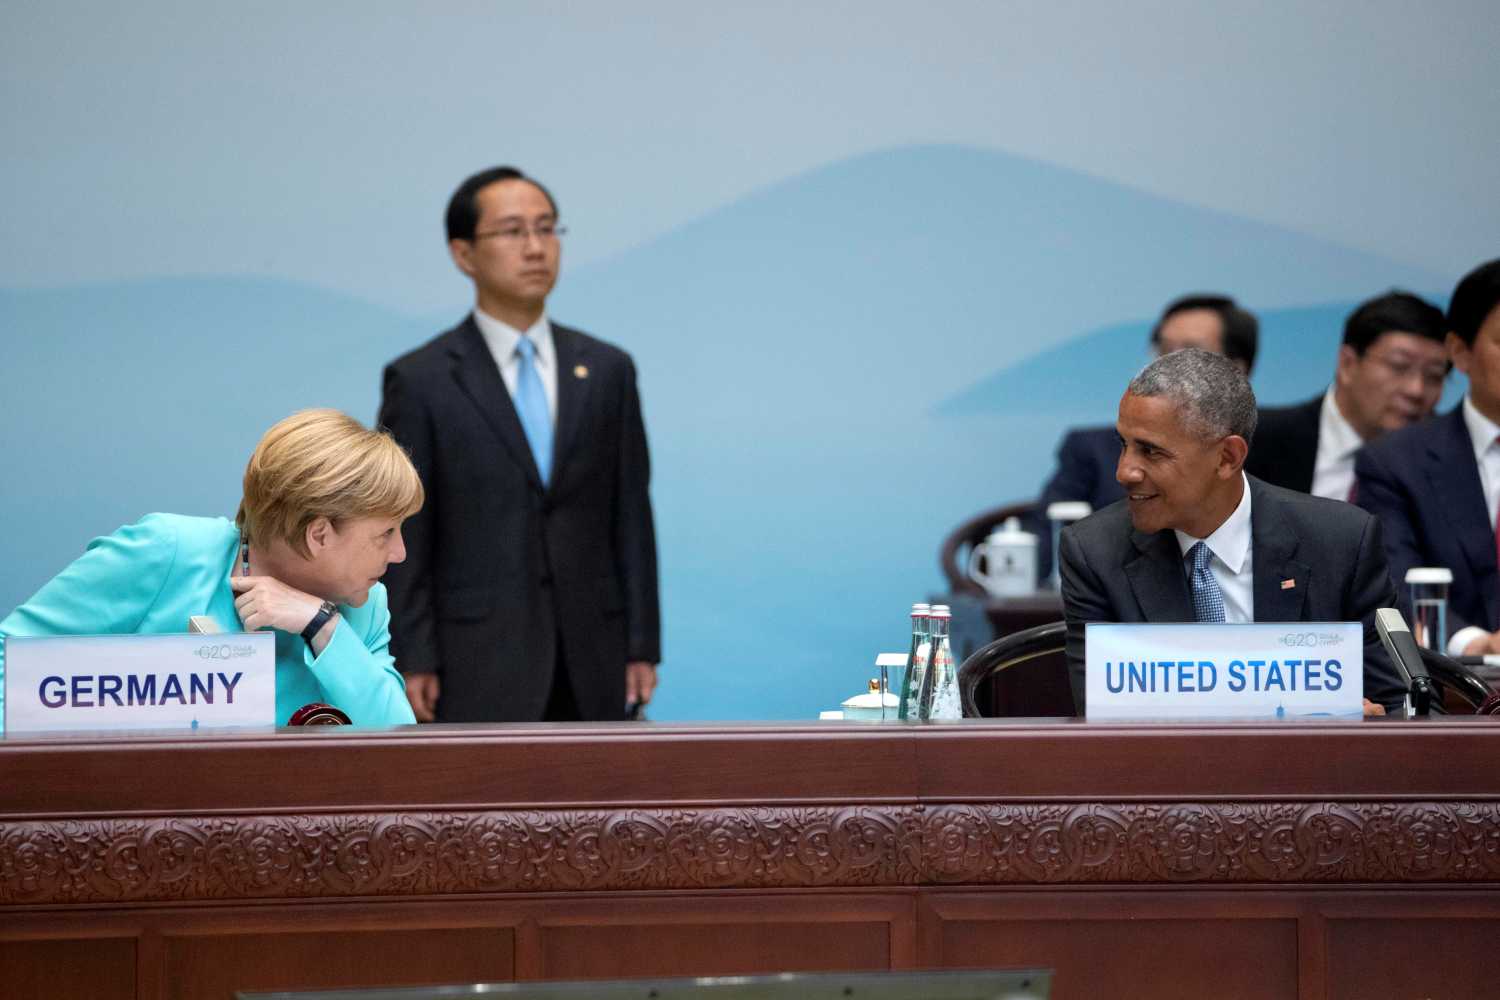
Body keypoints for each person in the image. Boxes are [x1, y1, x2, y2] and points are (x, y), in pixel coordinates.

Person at [378, 165, 660, 723]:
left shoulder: (607, 369)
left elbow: (630, 513)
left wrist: (641, 642)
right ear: (463, 254)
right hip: (475, 654)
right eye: (512, 231)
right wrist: (412, 654)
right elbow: (405, 525)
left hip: (594, 650)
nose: (536, 248)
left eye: (547, 228)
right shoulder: (422, 380)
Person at [0, 409, 422, 728]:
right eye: (385, 533)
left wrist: (321, 625)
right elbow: (10, 664)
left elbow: (398, 744)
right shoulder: (166, 552)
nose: (400, 553)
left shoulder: (361, 606)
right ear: (319, 534)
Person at [1059, 349, 1405, 715]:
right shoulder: (1094, 553)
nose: (1124, 471)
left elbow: (1400, 704)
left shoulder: (1341, 541)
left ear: (1227, 458)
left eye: (1151, 452)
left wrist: (1369, 723)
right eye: (1124, 445)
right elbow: (1103, 722)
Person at [1033, 294, 1259, 580]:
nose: (1126, 472)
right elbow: (1043, 542)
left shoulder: (1283, 451)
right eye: (1162, 350)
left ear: (1238, 369)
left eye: (1189, 355)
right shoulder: (1092, 451)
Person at [1355, 258, 1500, 656]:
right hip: (1452, 689)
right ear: (1461, 351)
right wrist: (1476, 644)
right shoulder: (1396, 462)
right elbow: (1390, 579)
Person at [1245, 291, 1449, 499]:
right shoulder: (1256, 439)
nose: (1416, 390)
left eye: (1434, 376)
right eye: (1399, 366)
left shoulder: (1451, 462)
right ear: (1348, 364)